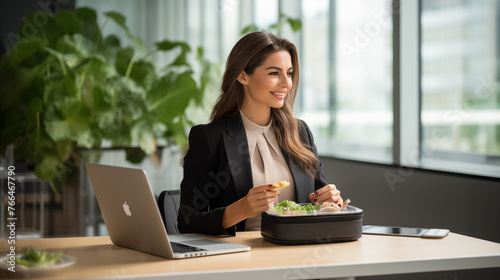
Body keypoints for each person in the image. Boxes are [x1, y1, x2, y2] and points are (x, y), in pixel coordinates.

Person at [177, 31, 343, 236]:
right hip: (241, 257)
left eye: (289, 73)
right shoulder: (209, 139)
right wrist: (240, 210)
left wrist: (331, 201)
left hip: (297, 250)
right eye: (274, 73)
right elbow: (187, 221)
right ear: (242, 75)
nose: (287, 83)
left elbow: (321, 200)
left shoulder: (300, 132)